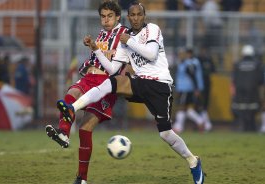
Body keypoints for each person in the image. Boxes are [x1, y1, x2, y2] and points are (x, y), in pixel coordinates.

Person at [57, 2, 205, 184]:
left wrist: (129, 41)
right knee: (112, 82)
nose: (135, 18)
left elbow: (151, 54)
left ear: (144, 16)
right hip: (139, 83)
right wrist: (96, 49)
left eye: (139, 15)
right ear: (128, 17)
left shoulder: (152, 29)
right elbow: (111, 69)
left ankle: (192, 160)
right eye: (132, 15)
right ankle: (72, 108)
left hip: (160, 85)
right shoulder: (125, 40)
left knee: (165, 133)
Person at [45, 2, 128, 184]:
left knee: (85, 130)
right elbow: (98, 55)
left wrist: (111, 52)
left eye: (109, 16)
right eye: (103, 16)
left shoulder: (124, 34)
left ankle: (82, 178)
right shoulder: (102, 33)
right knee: (70, 94)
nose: (105, 20)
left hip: (105, 84)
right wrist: (91, 45)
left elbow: (125, 56)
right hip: (89, 77)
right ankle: (64, 133)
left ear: (118, 17)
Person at [231, 45, 264, 132]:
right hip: (253, 92)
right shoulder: (257, 64)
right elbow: (261, 80)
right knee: (252, 110)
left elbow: (233, 80)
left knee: (242, 110)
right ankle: (252, 127)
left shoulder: (237, 64)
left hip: (240, 92)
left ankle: (242, 127)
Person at [172, 48, 205, 133]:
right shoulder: (183, 63)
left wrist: (196, 88)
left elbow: (193, 76)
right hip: (182, 88)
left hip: (186, 88)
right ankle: (200, 121)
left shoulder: (188, 64)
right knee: (185, 108)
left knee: (181, 106)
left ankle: (179, 126)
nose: (180, 56)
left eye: (182, 54)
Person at [197, 46, 216, 131]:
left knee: (204, 104)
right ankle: (205, 124)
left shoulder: (209, 59)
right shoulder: (197, 60)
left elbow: (213, 70)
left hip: (206, 84)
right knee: (199, 104)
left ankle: (205, 124)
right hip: (199, 85)